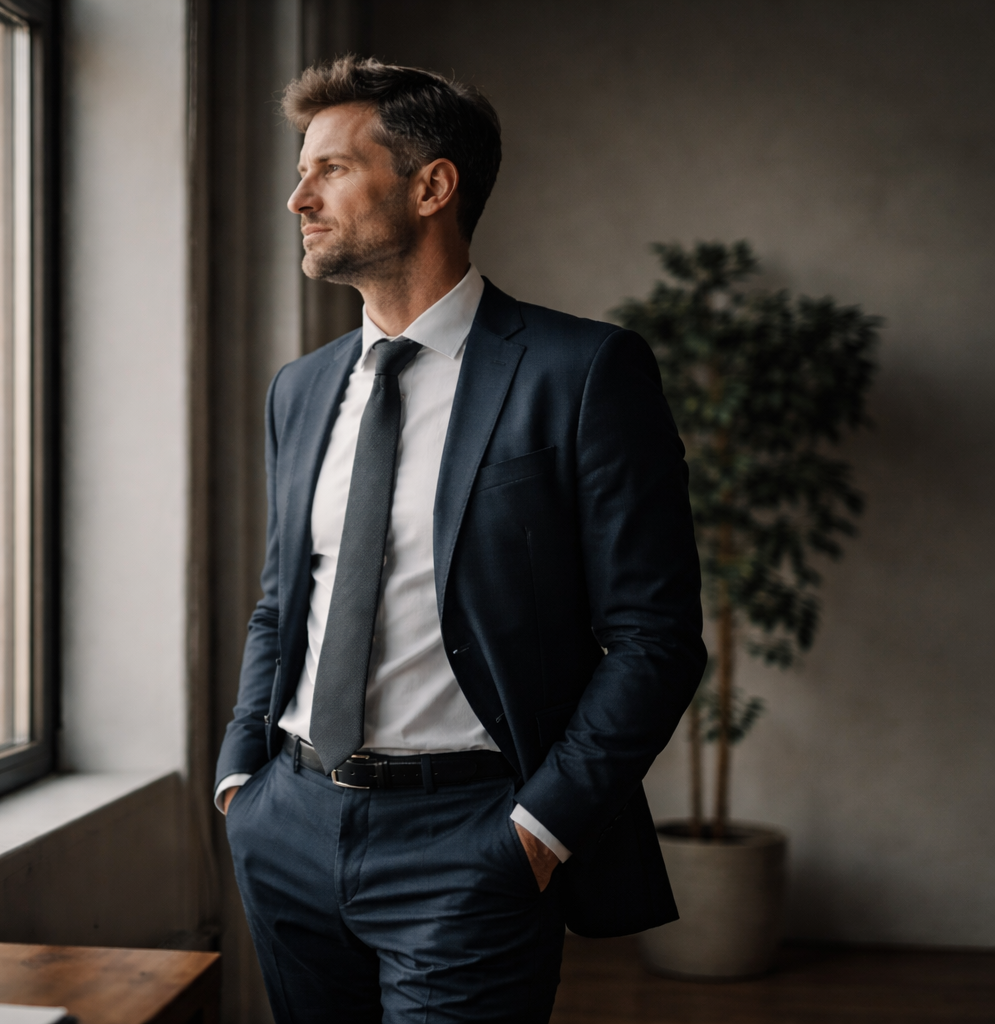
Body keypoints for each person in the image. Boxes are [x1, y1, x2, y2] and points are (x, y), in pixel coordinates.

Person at [214, 57, 706, 1022]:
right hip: (289, 827)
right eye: (301, 170)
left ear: (432, 185)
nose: (295, 197)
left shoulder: (583, 372)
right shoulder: (301, 388)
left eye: (331, 170)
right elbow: (286, 597)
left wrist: (540, 826)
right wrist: (243, 780)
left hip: (471, 839)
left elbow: (656, 637)